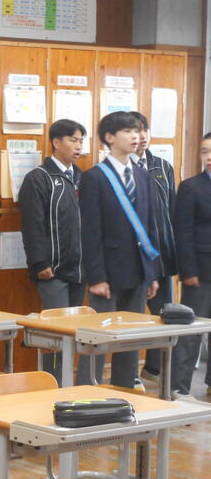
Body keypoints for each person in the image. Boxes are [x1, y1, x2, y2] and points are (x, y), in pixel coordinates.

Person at [79, 111, 160, 389]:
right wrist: (96, 277)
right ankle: (87, 390)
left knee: (129, 337)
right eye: (128, 131)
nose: (135, 136)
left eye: (137, 131)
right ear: (109, 138)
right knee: (97, 338)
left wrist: (152, 273)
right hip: (107, 272)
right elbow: (90, 232)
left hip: (138, 270)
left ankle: (125, 389)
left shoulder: (142, 175)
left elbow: (150, 226)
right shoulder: (94, 177)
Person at [19, 119, 92, 384]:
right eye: (73, 140)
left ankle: (70, 384)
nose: (78, 146)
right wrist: (40, 263)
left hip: (80, 270)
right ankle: (53, 383)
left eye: (81, 140)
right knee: (56, 334)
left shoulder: (82, 177)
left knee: (76, 332)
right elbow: (32, 225)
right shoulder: (38, 178)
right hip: (53, 271)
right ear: (56, 142)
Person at [129, 111, 177, 384]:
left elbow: (172, 210)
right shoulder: (119, 169)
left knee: (164, 316)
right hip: (134, 259)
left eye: (145, 130)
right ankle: (127, 374)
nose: (142, 136)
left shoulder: (162, 166)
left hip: (162, 257)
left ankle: (154, 369)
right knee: (133, 317)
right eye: (136, 131)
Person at [170, 132, 211, 398]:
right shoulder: (191, 187)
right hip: (200, 271)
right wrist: (188, 270)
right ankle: (179, 386)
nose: (209, 157)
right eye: (205, 151)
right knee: (191, 332)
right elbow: (182, 232)